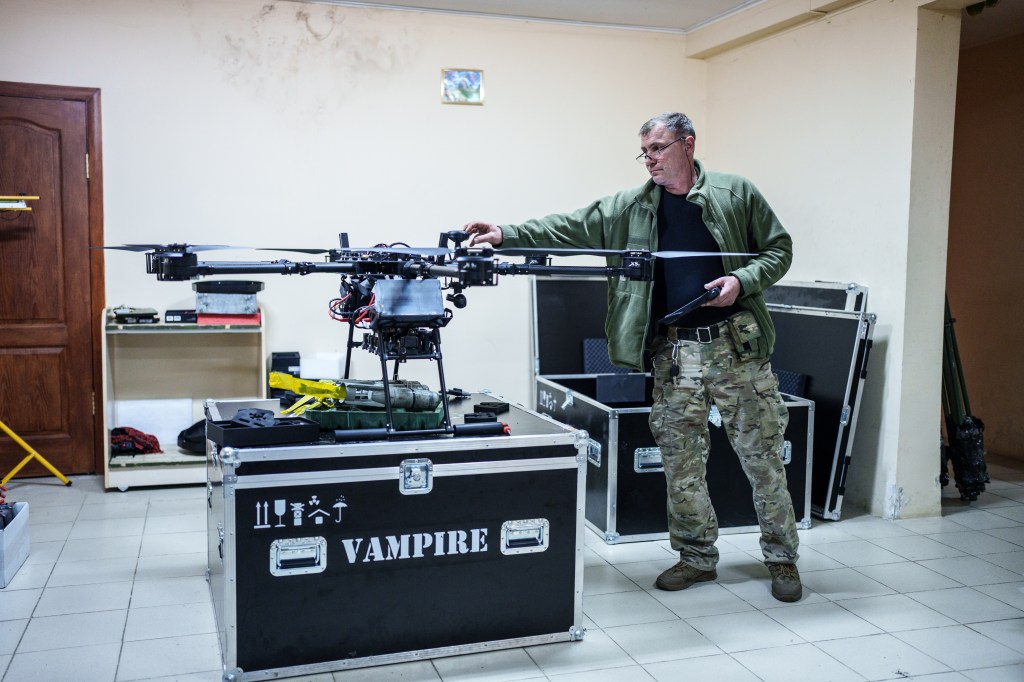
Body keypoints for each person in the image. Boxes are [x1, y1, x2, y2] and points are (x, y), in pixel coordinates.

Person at [465, 112, 801, 602]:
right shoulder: (631, 207)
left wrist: (741, 282)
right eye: (644, 151)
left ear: (688, 144)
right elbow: (569, 228)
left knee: (762, 458)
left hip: (735, 349)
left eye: (659, 149)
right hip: (674, 353)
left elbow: (779, 250)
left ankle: (782, 558)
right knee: (681, 461)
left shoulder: (735, 193)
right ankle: (695, 558)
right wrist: (506, 233)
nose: (650, 160)